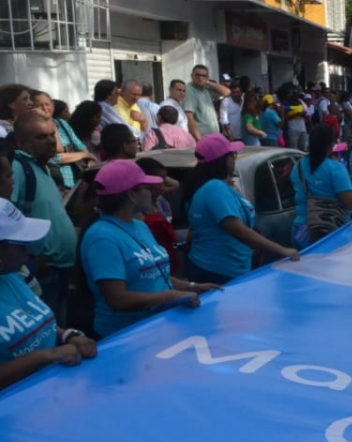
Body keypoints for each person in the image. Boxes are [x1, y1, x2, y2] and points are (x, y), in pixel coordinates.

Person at [80, 161, 219, 338]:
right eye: (146, 187)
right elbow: (117, 299)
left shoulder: (139, 225)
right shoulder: (101, 238)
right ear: (131, 195)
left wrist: (193, 287)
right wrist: (170, 297)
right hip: (126, 336)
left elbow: (153, 275)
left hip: (158, 326)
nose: (152, 192)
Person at [0, 197, 97, 390]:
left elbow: (35, 324)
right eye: (21, 245)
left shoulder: (14, 275)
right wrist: (45, 356)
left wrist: (68, 335)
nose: (29, 253)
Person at [185, 134, 298, 284]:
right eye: (233, 154)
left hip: (220, 267)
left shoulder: (216, 187)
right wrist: (282, 250)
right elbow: (239, 231)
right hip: (219, 271)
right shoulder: (215, 189)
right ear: (222, 160)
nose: (235, 158)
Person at [11, 114, 76, 323]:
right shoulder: (19, 167)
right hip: (42, 271)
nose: (50, 141)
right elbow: (6, 215)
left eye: (52, 135)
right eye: (41, 137)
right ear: (21, 142)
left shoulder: (43, 167)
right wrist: (30, 258)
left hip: (59, 269)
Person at [290, 125, 352, 247]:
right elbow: (350, 203)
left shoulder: (298, 166)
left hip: (301, 230)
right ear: (331, 144)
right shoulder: (335, 168)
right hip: (329, 231)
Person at [182, 65, 229, 140]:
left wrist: (207, 82)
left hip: (213, 136)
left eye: (203, 76)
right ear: (191, 75)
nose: (200, 78)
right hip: (203, 138)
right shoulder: (189, 91)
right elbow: (189, 118)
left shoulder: (205, 89)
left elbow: (226, 92)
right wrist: (199, 140)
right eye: (197, 75)